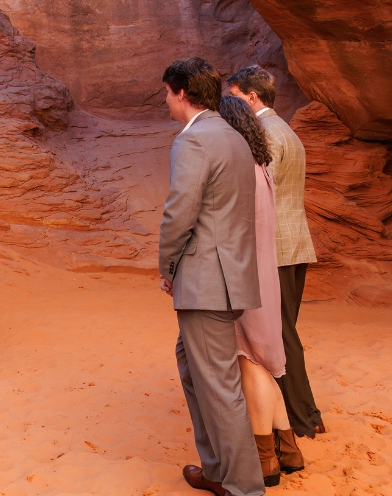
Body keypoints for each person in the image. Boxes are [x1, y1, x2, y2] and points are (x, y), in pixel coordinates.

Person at [158, 58, 264, 496]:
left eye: (166, 92)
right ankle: (217, 468)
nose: (165, 101)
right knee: (192, 366)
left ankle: (242, 485)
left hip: (206, 280)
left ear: (182, 92)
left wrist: (167, 266)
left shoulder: (196, 140)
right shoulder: (233, 135)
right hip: (228, 276)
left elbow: (179, 211)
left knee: (218, 385)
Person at [227, 66, 324, 446]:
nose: (229, 104)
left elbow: (255, 194)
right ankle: (301, 416)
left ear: (251, 98)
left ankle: (302, 418)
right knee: (283, 332)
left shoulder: (262, 132)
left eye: (234, 96)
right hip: (295, 244)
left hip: (275, 249)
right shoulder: (286, 129)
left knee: (279, 335)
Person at [217, 95, 301, 486]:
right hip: (264, 269)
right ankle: (289, 450)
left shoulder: (237, 168)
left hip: (242, 273)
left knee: (249, 361)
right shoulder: (262, 164)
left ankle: (265, 459)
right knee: (263, 362)